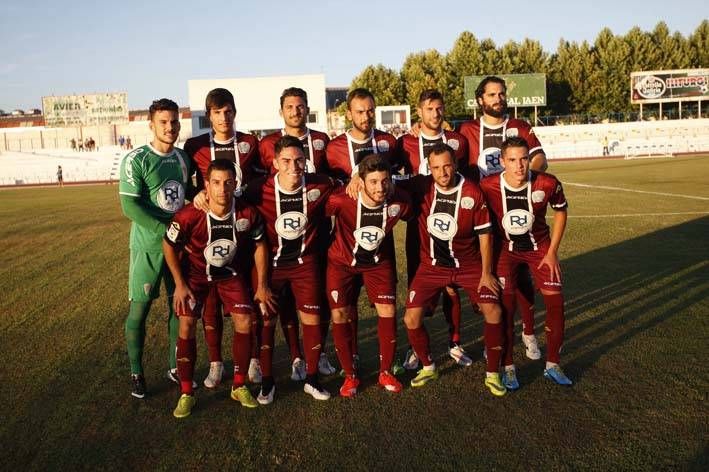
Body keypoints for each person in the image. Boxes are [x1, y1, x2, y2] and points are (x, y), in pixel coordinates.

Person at [163, 159, 274, 418]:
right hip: (196, 276)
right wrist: (179, 284)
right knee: (187, 323)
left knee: (245, 321)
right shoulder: (189, 215)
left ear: (235, 184)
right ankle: (187, 392)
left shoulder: (247, 213)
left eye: (227, 183)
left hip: (230, 275)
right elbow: (168, 245)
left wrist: (262, 285)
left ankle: (239, 385)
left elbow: (260, 245)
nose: (222, 189)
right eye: (215, 183)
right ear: (206, 186)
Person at [398, 143, 506, 397]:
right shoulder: (422, 186)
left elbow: (485, 235)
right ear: (429, 168)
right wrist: (359, 179)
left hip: (468, 266)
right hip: (431, 267)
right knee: (410, 318)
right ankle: (428, 366)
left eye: (447, 165)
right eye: (436, 167)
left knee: (494, 309)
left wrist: (486, 272)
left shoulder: (472, 192)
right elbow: (386, 182)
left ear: (455, 164)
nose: (442, 172)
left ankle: (492, 372)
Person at [458, 76, 547, 360]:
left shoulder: (519, 126)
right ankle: (493, 338)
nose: (498, 99)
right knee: (489, 281)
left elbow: (539, 159)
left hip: (516, 214)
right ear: (480, 100)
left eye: (501, 94)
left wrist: (517, 178)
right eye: (492, 94)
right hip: (481, 217)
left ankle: (529, 332)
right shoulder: (467, 130)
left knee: (521, 279)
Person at [243, 135, 335, 404]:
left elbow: (348, 188)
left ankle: (312, 379)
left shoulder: (320, 184)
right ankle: (268, 382)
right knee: (267, 321)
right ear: (275, 163)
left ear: (305, 161)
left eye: (298, 160)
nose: (293, 166)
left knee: (312, 320)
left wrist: (354, 181)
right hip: (271, 266)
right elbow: (230, 204)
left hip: (305, 265)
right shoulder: (257, 189)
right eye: (286, 161)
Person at [184, 88, 265, 388]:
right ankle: (216, 363)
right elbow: (186, 185)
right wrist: (196, 195)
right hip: (211, 234)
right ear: (209, 115)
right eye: (217, 112)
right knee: (211, 304)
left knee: (251, 299)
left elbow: (262, 178)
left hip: (243, 230)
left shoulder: (249, 142)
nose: (223, 117)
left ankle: (253, 359)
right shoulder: (194, 146)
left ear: (234, 111)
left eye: (228, 111)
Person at [480, 136, 572, 389]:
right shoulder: (487, 186)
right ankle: (509, 368)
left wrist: (552, 251)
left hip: (539, 248)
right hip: (505, 252)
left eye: (524, 159)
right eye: (512, 160)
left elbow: (561, 210)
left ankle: (553, 364)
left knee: (556, 301)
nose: (519, 166)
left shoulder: (547, 182)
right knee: (506, 309)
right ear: (501, 162)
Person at [258, 87, 336, 379]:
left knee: (319, 299)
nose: (295, 111)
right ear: (282, 111)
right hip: (277, 238)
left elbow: (331, 179)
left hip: (316, 234)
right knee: (283, 305)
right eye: (290, 106)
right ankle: (294, 357)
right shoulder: (267, 144)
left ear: (307, 108)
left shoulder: (321, 140)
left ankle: (320, 354)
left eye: (300, 106)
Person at [118, 98, 193, 399]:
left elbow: (189, 195)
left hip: (178, 249)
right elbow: (129, 206)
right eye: (163, 122)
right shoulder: (136, 159)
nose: (170, 127)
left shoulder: (183, 159)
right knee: (140, 309)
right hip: (148, 248)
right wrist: (168, 231)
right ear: (151, 124)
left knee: (179, 305)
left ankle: (174, 366)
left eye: (174, 121)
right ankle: (137, 372)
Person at [395, 89, 471, 370]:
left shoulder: (458, 141)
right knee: (418, 286)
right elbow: (389, 174)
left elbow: (469, 176)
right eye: (429, 109)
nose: (435, 114)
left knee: (452, 287)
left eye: (439, 108)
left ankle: (454, 342)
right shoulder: (405, 143)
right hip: (420, 226)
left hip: (453, 225)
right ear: (419, 111)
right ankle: (415, 349)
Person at [326, 154, 413, 397]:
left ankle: (386, 371)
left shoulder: (399, 200)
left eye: (385, 181)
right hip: (341, 264)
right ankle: (350, 376)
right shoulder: (342, 199)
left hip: (378, 264)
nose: (380, 187)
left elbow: (413, 207)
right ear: (361, 182)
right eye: (373, 182)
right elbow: (319, 211)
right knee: (340, 313)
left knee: (388, 311)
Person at [325, 88, 400, 367]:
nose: (366, 116)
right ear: (349, 114)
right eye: (359, 111)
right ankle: (351, 356)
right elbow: (326, 186)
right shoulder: (333, 148)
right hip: (346, 236)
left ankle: (388, 363)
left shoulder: (389, 142)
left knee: (385, 305)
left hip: (381, 239)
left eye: (370, 110)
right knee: (347, 303)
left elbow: (404, 173)